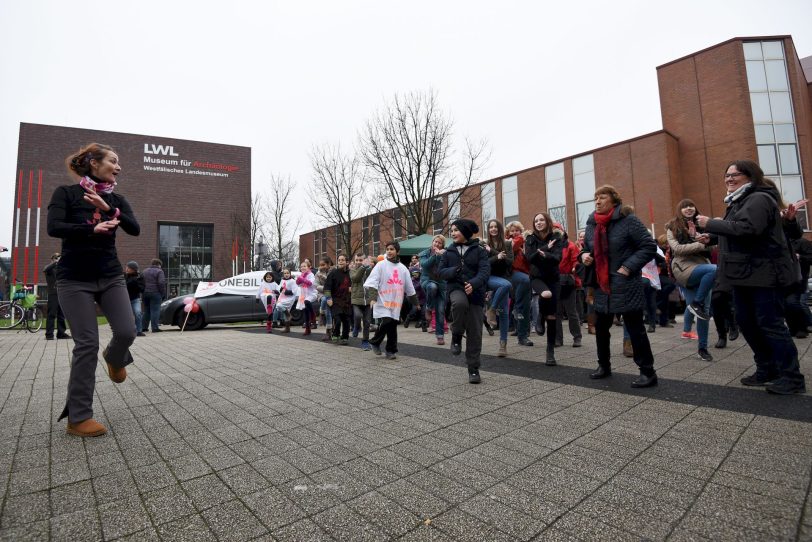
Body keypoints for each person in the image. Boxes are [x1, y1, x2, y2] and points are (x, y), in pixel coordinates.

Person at [47, 142, 140, 437]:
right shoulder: (66, 194)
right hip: (74, 278)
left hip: (110, 275)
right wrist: (90, 229)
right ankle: (79, 417)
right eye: (113, 160)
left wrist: (109, 208)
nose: (119, 166)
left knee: (127, 331)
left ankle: (114, 357)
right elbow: (54, 227)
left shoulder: (117, 199)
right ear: (93, 164)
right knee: (86, 344)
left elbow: (134, 228)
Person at [697, 160, 806, 395]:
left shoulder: (758, 198)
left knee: (771, 324)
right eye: (726, 175)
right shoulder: (739, 200)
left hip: (763, 273)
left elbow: (748, 229)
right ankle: (767, 369)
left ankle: (792, 376)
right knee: (747, 322)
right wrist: (713, 238)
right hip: (744, 274)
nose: (729, 179)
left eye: (734, 175)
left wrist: (712, 224)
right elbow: (738, 231)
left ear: (750, 176)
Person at [580, 185, 658, 387]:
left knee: (635, 329)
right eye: (595, 198)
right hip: (601, 284)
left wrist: (628, 267)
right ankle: (604, 366)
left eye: (602, 197)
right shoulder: (592, 223)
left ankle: (647, 372)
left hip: (625, 283)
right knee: (601, 328)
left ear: (614, 200)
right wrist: (584, 256)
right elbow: (586, 247)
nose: (597, 201)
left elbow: (649, 246)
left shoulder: (628, 220)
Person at [439, 219, 490, 383]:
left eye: (456, 230)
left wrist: (474, 284)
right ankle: (456, 335)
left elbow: (485, 271)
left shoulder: (480, 250)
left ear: (466, 232)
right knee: (459, 304)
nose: (452, 233)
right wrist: (454, 270)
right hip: (456, 289)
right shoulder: (448, 252)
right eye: (451, 231)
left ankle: (473, 368)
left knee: (475, 332)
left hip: (475, 293)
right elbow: (440, 272)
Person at [666, 199, 717, 362]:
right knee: (715, 269)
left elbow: (713, 246)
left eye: (691, 206)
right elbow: (678, 249)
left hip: (703, 268)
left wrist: (696, 236)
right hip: (684, 269)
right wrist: (700, 243)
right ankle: (696, 303)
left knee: (703, 312)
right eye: (685, 206)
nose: (689, 208)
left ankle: (702, 349)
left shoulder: (703, 224)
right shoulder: (672, 227)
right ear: (679, 210)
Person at [364, 241, 419, 360]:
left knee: (393, 325)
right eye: (387, 249)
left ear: (397, 251)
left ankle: (391, 350)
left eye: (392, 249)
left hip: (395, 302)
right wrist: (372, 297)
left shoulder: (403, 268)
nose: (389, 251)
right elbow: (373, 281)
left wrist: (416, 303)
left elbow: (410, 287)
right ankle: (375, 341)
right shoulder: (380, 265)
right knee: (387, 321)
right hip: (382, 300)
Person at [525, 212, 564, 366]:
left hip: (553, 278)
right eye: (536, 221)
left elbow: (557, 258)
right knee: (545, 294)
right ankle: (540, 315)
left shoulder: (556, 238)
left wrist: (544, 254)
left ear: (547, 221)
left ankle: (550, 351)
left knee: (552, 316)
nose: (538, 223)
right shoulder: (530, 238)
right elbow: (529, 257)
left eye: (541, 220)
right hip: (537, 278)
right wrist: (546, 248)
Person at [483, 219, 513, 357]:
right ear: (488, 230)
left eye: (495, 227)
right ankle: (492, 309)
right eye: (491, 227)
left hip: (503, 277)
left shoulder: (507, 244)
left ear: (499, 229)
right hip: (490, 278)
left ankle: (503, 345)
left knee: (505, 312)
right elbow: (484, 263)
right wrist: (496, 256)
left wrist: (494, 252)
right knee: (506, 285)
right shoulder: (484, 244)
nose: (493, 229)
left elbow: (510, 262)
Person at [555, 223, 583, 349]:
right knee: (557, 312)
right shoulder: (550, 246)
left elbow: (577, 260)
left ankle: (577, 337)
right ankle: (558, 339)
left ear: (562, 231)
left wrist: (574, 268)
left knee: (571, 312)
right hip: (555, 282)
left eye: (557, 230)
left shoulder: (570, 245)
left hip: (567, 282)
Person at [506, 221, 533, 346]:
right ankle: (520, 330)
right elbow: (512, 247)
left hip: (525, 277)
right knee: (520, 304)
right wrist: (523, 237)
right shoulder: (508, 242)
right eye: (512, 230)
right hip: (513, 275)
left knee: (525, 307)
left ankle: (523, 334)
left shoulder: (525, 244)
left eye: (517, 230)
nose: (514, 232)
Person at [419, 235, 448, 345]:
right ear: (432, 242)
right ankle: (429, 307)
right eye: (435, 242)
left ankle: (440, 336)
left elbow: (445, 267)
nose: (437, 244)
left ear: (442, 245)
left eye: (439, 243)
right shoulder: (425, 253)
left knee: (440, 311)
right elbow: (425, 265)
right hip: (428, 281)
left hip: (441, 284)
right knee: (432, 287)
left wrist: (441, 256)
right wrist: (435, 255)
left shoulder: (445, 254)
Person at [324, 254, 353, 345]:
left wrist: (352, 289)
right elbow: (327, 287)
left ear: (347, 262)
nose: (340, 261)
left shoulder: (351, 273)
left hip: (347, 301)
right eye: (339, 260)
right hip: (335, 300)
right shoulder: (333, 273)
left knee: (346, 320)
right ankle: (335, 334)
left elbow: (356, 285)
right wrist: (328, 298)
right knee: (337, 319)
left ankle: (345, 337)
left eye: (342, 260)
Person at [42, 252, 70, 340]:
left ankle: (61, 334)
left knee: (61, 315)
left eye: (59, 257)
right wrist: (55, 262)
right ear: (53, 259)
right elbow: (45, 269)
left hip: (62, 294)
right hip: (53, 294)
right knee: (52, 314)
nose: (58, 259)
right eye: (57, 257)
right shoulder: (49, 268)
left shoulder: (61, 269)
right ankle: (49, 334)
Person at [351, 254, 373, 350]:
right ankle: (356, 327)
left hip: (367, 300)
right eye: (357, 260)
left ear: (364, 260)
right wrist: (363, 267)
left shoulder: (368, 269)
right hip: (356, 299)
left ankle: (365, 341)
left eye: (361, 260)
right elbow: (356, 278)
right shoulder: (352, 270)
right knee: (358, 315)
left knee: (367, 322)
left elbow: (373, 279)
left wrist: (369, 267)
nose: (359, 262)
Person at [142, 258, 166, 333]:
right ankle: (155, 328)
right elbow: (161, 283)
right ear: (159, 265)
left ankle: (144, 327)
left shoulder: (144, 271)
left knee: (146, 310)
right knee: (155, 310)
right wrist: (162, 293)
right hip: (155, 293)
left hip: (145, 293)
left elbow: (140, 282)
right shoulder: (159, 271)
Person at [296, 261, 318, 335]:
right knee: (305, 312)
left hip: (311, 294)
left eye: (304, 266)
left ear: (309, 267)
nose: (302, 268)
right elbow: (298, 284)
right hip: (304, 295)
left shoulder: (311, 274)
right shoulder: (301, 275)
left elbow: (310, 283)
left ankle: (313, 315)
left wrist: (302, 279)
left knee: (307, 302)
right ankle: (308, 329)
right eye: (301, 266)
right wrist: (298, 280)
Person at [124, 261, 145, 337]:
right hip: (124, 299)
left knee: (138, 313)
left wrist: (134, 282)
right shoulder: (124, 276)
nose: (126, 269)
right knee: (125, 315)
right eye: (126, 267)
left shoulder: (139, 277)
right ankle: (125, 331)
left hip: (135, 299)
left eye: (128, 268)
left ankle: (139, 331)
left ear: (133, 269)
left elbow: (142, 289)